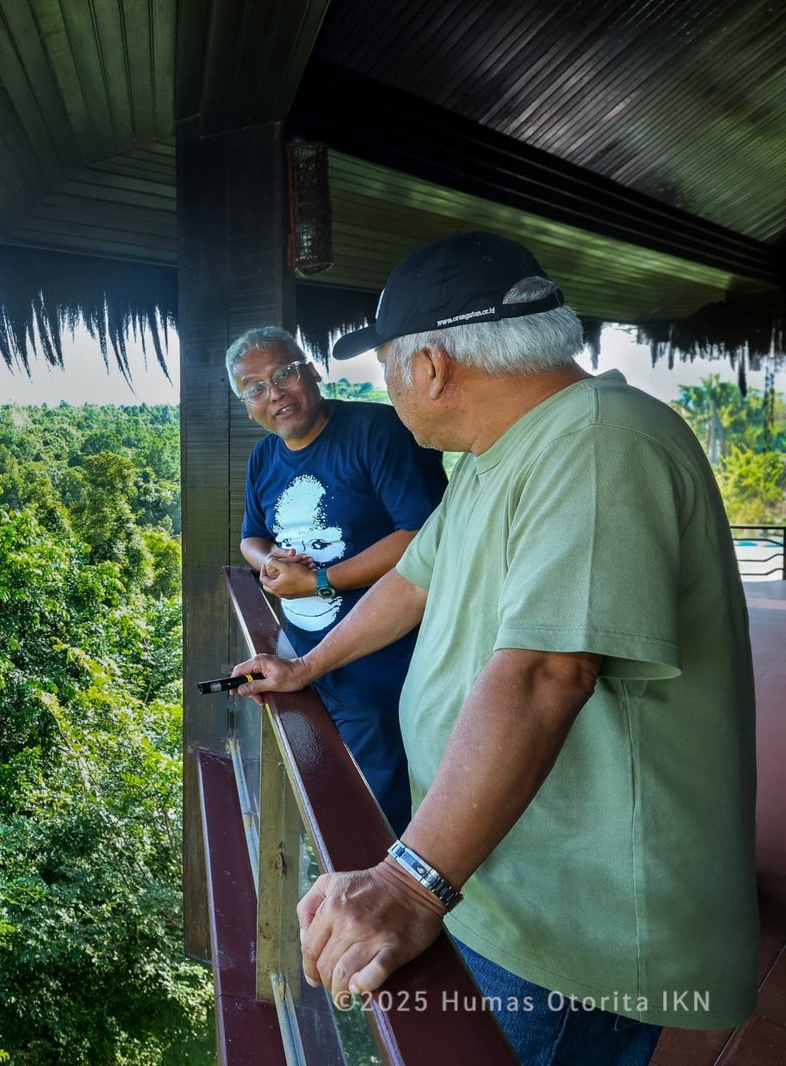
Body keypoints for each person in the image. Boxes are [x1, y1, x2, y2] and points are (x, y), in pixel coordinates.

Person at [234, 232, 757, 1066]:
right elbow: (413, 577)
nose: (387, 387)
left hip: (570, 924)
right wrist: (306, 667)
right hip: (498, 880)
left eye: (387, 367)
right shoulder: (493, 456)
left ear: (431, 367)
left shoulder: (598, 441)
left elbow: (552, 671)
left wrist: (409, 883)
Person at [228, 327, 445, 833]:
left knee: (383, 815)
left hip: (385, 667)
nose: (274, 393)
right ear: (246, 404)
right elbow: (251, 536)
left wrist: (320, 581)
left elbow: (424, 535)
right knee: (333, 800)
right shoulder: (264, 456)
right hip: (305, 660)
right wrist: (269, 563)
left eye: (283, 373)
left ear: (311, 370)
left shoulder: (377, 431)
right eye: (255, 388)